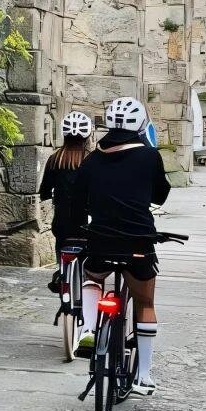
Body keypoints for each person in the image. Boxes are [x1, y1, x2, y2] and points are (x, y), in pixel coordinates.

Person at [72, 97, 172, 394]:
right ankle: (144, 375)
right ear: (140, 124)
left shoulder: (92, 159)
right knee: (145, 303)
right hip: (138, 241)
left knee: (92, 275)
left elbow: (78, 199)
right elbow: (160, 195)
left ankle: (88, 328)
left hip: (101, 239)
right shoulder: (149, 156)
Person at [40, 111, 94, 292]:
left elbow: (44, 192)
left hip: (62, 224)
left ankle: (62, 275)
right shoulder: (93, 160)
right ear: (87, 136)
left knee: (62, 253)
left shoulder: (55, 159)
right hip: (87, 224)